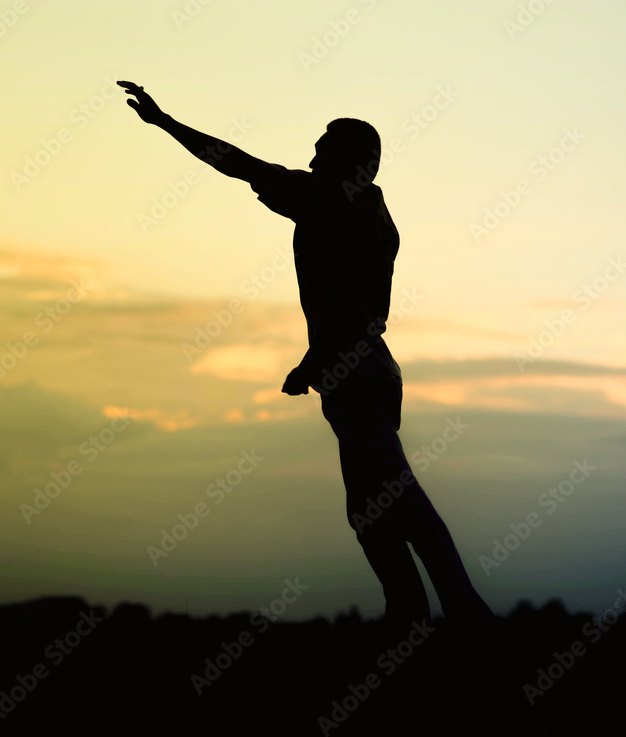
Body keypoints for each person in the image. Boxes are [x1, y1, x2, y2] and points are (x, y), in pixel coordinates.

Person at [119, 81, 493, 630]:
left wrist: (166, 123)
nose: (313, 155)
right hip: (359, 371)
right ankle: (408, 614)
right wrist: (314, 363)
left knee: (398, 499)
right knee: (369, 511)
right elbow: (348, 308)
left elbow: (240, 164)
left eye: (324, 147)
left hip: (359, 375)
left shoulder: (336, 203)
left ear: (356, 162)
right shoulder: (361, 209)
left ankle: (466, 613)